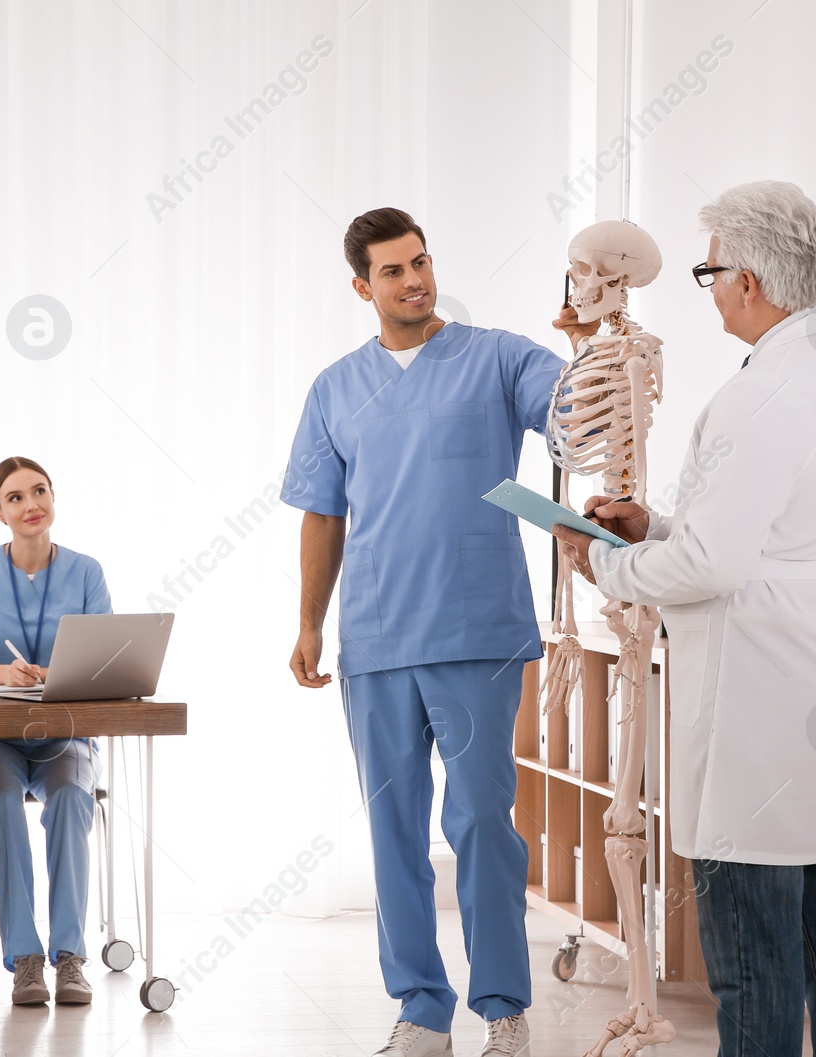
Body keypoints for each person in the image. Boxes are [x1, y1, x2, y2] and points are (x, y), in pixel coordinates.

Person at [551, 181, 816, 1057]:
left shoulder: (762, 395)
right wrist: (656, 526)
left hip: (758, 693)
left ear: (750, 280)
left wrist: (605, 559)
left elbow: (714, 565)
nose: (707, 291)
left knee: (753, 955)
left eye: (709, 271)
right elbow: (778, 532)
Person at [284, 207, 565, 1057]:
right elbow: (323, 514)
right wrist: (307, 621)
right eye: (395, 271)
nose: (415, 281)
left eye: (422, 263)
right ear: (362, 286)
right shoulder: (335, 388)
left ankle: (504, 1006)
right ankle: (421, 1006)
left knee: (482, 819)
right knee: (393, 828)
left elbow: (578, 411)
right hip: (373, 638)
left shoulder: (500, 357)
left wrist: (591, 350)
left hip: (475, 630)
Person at [0, 457, 110, 1006]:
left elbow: (104, 662)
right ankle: (26, 960)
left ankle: (71, 958)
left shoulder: (86, 572)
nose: (30, 503)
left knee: (69, 797)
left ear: (54, 499)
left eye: (39, 491)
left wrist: (62, 673)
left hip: (64, 737)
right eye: (15, 497)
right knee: (7, 804)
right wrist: (2, 674)